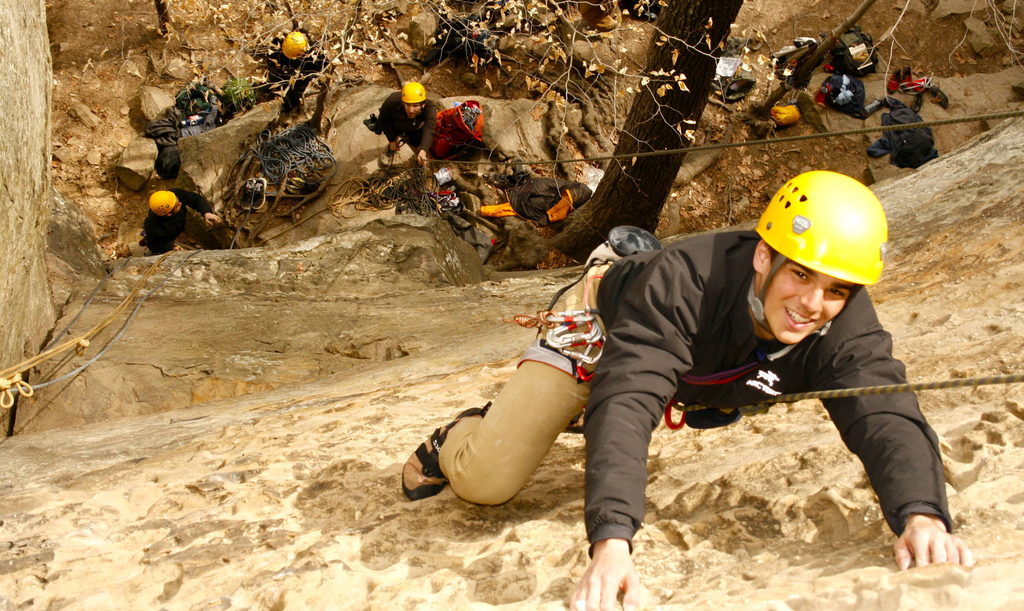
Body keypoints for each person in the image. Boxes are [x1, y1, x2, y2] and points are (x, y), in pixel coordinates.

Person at [401, 171, 973, 608]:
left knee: (689, 390)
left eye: (836, 290)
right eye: (799, 273)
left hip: (704, 366)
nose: (811, 305)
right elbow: (629, 395)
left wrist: (921, 514)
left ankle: (628, 297)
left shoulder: (841, 320)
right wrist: (612, 541)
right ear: (764, 254)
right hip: (604, 318)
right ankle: (462, 432)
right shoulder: (687, 283)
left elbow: (883, 410)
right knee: (487, 481)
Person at [261, 29, 329, 113]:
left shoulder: (316, 53)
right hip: (282, 69)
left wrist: (311, 77)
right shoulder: (280, 41)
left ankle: (288, 109)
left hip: (302, 74)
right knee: (271, 78)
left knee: (294, 95)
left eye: (296, 55)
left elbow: (323, 68)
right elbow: (270, 59)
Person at [375, 81, 437, 167]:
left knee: (416, 143)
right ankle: (392, 146)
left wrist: (424, 149)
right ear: (403, 102)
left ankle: (418, 157)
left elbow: (430, 129)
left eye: (415, 106)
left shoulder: (429, 108)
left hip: (415, 128)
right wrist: (391, 140)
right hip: (396, 124)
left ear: (423, 104)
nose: (411, 110)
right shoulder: (392, 101)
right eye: (408, 105)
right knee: (393, 137)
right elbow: (383, 119)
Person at [141, 189, 221, 255]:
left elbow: (195, 199)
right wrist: (170, 247)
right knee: (155, 246)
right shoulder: (154, 227)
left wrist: (206, 212)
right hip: (161, 238)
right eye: (177, 205)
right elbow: (154, 245)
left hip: (174, 228)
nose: (180, 203)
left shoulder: (172, 197)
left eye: (177, 200)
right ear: (169, 214)